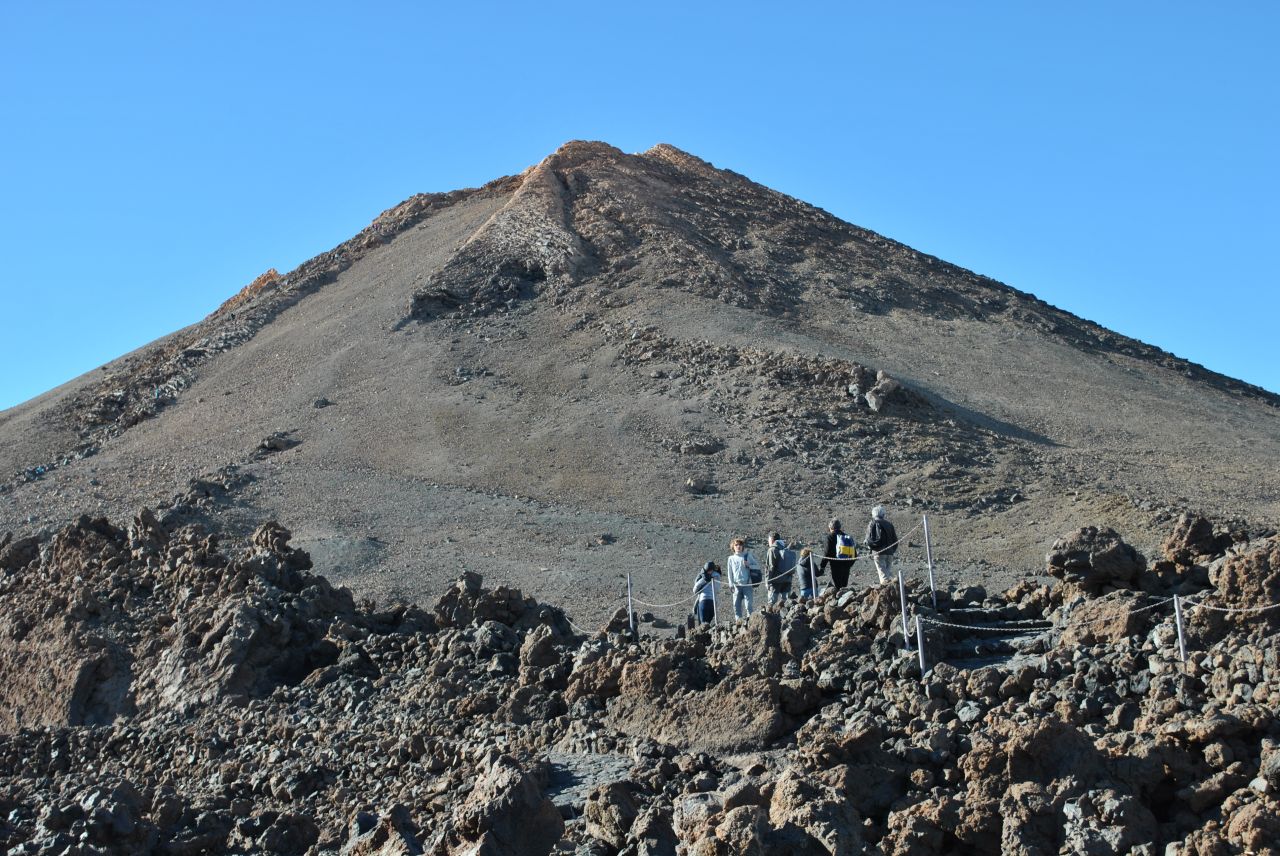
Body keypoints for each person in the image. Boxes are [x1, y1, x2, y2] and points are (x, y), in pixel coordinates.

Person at [726, 538, 760, 620]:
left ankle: (750, 622)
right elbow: (729, 572)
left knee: (748, 606)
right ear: (733, 547)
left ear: (742, 546)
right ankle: (738, 624)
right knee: (736, 606)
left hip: (747, 584)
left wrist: (749, 565)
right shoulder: (731, 558)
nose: (738, 546)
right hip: (736, 585)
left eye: (740, 545)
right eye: (736, 545)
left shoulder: (747, 555)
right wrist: (731, 584)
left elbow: (757, 566)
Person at [865, 505, 899, 584]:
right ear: (883, 514)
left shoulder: (872, 523)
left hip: (878, 553)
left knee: (884, 578)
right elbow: (895, 540)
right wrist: (891, 551)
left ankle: (886, 592)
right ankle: (894, 589)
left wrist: (871, 548)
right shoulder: (889, 524)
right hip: (890, 553)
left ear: (873, 514)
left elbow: (868, 540)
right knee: (887, 574)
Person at [764, 533, 798, 607]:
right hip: (787, 580)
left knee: (771, 604)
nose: (768, 541)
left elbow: (770, 567)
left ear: (772, 539)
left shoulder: (772, 549)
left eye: (769, 539)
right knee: (787, 604)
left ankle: (771, 617)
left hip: (776, 581)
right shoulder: (785, 548)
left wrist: (767, 581)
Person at [820, 519, 855, 589]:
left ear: (830, 527)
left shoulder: (829, 537)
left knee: (838, 586)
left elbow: (827, 553)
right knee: (844, 586)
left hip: (835, 566)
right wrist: (849, 565)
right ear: (840, 527)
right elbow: (854, 553)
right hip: (846, 566)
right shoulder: (846, 537)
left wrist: (822, 566)